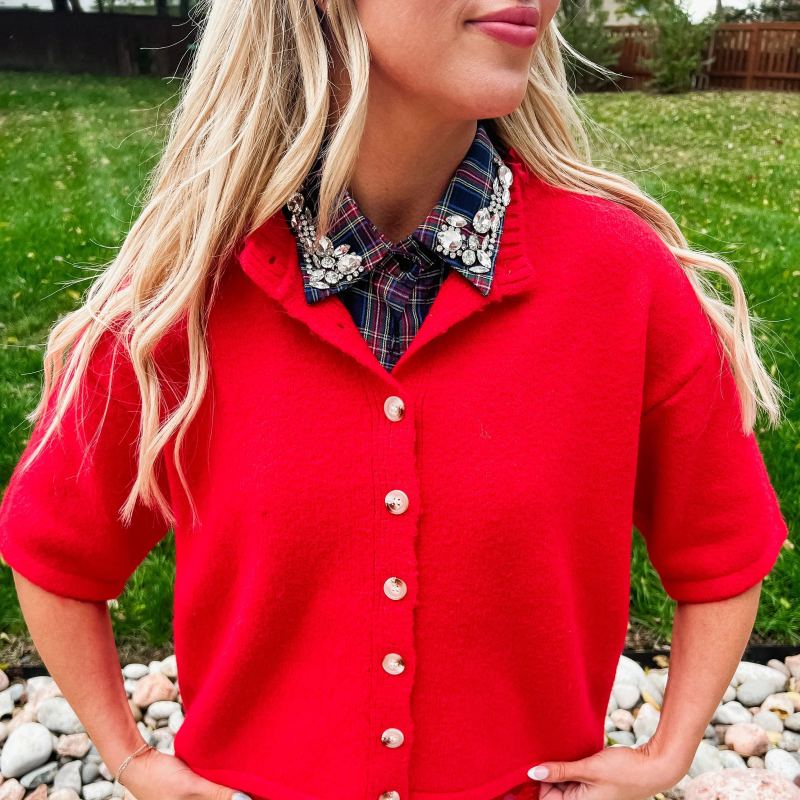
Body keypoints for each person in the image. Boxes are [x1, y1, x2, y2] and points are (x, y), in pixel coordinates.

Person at [0, 0, 790, 799]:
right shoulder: (189, 296)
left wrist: (669, 752)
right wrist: (132, 761)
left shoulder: (620, 279)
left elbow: (722, 540)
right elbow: (53, 545)